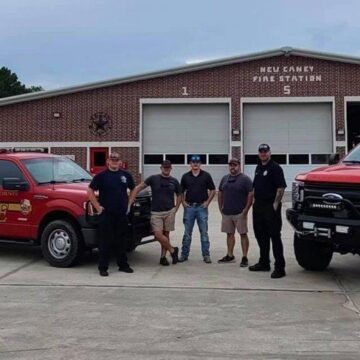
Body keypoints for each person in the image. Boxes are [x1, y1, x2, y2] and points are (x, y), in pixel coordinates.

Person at [87, 152, 135, 277]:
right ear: (108, 161)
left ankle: (123, 265)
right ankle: (103, 267)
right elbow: (90, 190)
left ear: (120, 161)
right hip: (106, 214)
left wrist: (129, 203)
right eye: (112, 160)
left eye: (117, 160)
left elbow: (134, 188)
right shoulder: (101, 176)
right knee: (105, 241)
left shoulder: (125, 175)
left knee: (121, 241)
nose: (114, 162)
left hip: (121, 214)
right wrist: (97, 207)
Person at [129, 160, 181, 265]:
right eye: (164, 167)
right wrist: (131, 200)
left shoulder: (174, 181)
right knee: (158, 235)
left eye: (168, 168)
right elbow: (138, 188)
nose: (166, 169)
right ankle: (172, 250)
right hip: (156, 212)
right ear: (161, 168)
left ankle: (163, 258)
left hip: (169, 211)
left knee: (166, 234)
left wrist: (176, 208)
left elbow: (180, 194)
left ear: (171, 169)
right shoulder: (153, 178)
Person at [249, 144, 287, 279]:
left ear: (270, 152)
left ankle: (280, 267)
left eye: (265, 151)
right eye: (261, 151)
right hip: (258, 206)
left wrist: (275, 206)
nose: (263, 153)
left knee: (275, 237)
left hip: (270, 207)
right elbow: (255, 187)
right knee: (261, 236)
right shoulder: (258, 167)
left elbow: (281, 188)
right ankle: (264, 262)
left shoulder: (275, 168)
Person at [179, 155, 216, 263]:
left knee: (204, 232)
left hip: (201, 208)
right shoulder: (185, 176)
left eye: (197, 162)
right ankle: (184, 255)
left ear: (200, 164)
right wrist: (183, 202)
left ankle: (206, 255)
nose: (195, 164)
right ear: (190, 163)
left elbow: (213, 190)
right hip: (189, 208)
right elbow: (181, 191)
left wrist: (207, 202)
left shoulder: (206, 176)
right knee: (187, 233)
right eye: (193, 162)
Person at [217, 158, 253, 267]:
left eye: (235, 165)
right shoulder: (224, 179)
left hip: (240, 213)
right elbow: (220, 193)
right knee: (229, 234)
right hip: (227, 212)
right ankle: (230, 255)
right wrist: (220, 208)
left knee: (243, 234)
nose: (233, 167)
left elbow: (250, 195)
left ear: (239, 166)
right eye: (231, 165)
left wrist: (246, 210)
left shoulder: (245, 179)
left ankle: (245, 257)